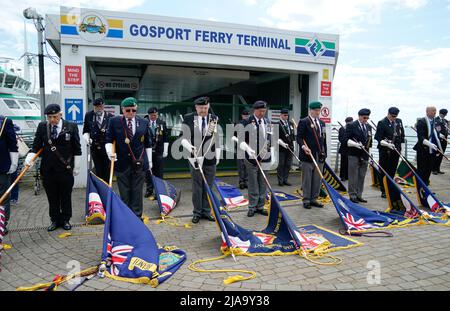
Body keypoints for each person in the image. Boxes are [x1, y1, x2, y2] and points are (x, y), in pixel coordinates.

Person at [25, 104, 81, 231]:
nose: (52, 120)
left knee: (66, 196)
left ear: (60, 114)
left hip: (65, 169)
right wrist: (30, 158)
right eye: (49, 117)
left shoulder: (71, 126)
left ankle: (66, 219)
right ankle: (55, 220)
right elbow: (36, 146)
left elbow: (77, 148)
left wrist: (76, 166)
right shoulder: (42, 127)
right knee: (52, 197)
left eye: (54, 117)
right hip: (48, 170)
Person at [105, 97, 152, 219]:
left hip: (139, 163)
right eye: (128, 110)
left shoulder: (144, 122)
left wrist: (150, 160)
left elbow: (148, 143)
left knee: (137, 192)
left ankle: (136, 218)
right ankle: (125, 217)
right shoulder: (114, 121)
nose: (131, 113)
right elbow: (108, 139)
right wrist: (109, 152)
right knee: (124, 193)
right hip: (122, 163)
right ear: (122, 110)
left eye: (133, 110)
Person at [180, 96, 220, 223]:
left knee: (208, 185)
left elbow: (216, 137)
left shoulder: (213, 118)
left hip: (210, 156)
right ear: (196, 107)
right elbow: (183, 138)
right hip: (195, 157)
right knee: (197, 186)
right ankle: (197, 212)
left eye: (206, 108)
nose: (204, 110)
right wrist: (189, 146)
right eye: (201, 108)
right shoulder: (188, 118)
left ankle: (206, 211)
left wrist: (217, 154)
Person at [241, 100, 274, 217]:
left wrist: (271, 153)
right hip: (251, 158)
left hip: (264, 156)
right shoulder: (247, 121)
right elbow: (241, 140)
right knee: (253, 183)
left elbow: (270, 139)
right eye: (260, 111)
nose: (262, 113)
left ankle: (260, 206)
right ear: (254, 110)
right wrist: (248, 149)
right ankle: (252, 207)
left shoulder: (268, 122)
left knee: (263, 183)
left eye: (264, 111)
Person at [297, 101, 327, 209]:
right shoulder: (304, 122)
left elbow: (324, 139)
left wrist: (325, 153)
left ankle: (314, 198)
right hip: (308, 155)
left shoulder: (322, 123)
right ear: (310, 110)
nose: (318, 112)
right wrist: (303, 147)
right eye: (315, 110)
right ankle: (306, 199)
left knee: (317, 179)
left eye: (319, 110)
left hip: (319, 155)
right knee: (307, 179)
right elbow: (299, 137)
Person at [374, 107, 405, 198]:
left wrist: (401, 148)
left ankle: (390, 187)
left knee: (392, 171)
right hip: (385, 151)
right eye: (392, 116)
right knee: (383, 171)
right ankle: (383, 190)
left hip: (396, 151)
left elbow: (401, 135)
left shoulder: (399, 121)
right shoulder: (382, 123)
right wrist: (387, 144)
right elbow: (378, 137)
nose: (394, 118)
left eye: (395, 116)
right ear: (388, 114)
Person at [345, 109, 373, 203]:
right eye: (364, 117)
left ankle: (359, 195)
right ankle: (352, 195)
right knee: (353, 176)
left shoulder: (369, 126)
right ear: (360, 116)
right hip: (354, 154)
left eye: (367, 118)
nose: (366, 119)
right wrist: (355, 144)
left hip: (365, 155)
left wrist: (369, 152)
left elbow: (370, 140)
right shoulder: (351, 125)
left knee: (361, 176)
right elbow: (345, 139)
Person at [82, 98, 113, 182]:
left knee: (107, 169)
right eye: (96, 107)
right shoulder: (89, 115)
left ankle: (106, 188)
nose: (98, 108)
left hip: (106, 147)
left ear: (103, 106)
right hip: (95, 147)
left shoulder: (110, 117)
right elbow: (85, 130)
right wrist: (87, 138)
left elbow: (112, 134)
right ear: (94, 106)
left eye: (100, 106)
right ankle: (99, 188)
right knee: (98, 169)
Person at [144, 107, 169, 198]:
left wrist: (165, 150)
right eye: (151, 115)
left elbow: (166, 137)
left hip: (159, 151)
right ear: (149, 115)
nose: (153, 117)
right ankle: (149, 190)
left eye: (155, 115)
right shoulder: (145, 123)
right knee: (148, 172)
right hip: (148, 151)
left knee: (159, 172)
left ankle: (158, 191)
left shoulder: (162, 123)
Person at [413, 107, 442, 186]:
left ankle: (425, 187)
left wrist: (440, 136)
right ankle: (419, 187)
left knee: (428, 169)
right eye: (433, 111)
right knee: (422, 169)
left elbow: (436, 134)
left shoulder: (435, 121)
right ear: (427, 112)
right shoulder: (422, 122)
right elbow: (421, 137)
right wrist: (429, 144)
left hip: (432, 150)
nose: (434, 112)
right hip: (423, 149)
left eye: (435, 111)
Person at [0, 115, 18, 236]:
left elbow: (12, 143)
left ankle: (2, 225)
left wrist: (14, 163)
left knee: (3, 197)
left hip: (2, 167)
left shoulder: (5, 121)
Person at [277, 108, 295, 186]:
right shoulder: (277, 124)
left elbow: (293, 135)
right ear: (281, 115)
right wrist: (282, 144)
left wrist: (294, 146)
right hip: (281, 148)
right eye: (284, 115)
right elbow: (276, 137)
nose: (286, 116)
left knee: (288, 164)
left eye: (287, 115)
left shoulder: (290, 124)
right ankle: (280, 180)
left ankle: (285, 179)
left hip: (290, 147)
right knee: (281, 164)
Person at [433, 109, 449, 175]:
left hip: (444, 141)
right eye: (444, 114)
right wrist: (439, 134)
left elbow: (446, 129)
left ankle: (438, 168)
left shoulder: (445, 121)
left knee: (441, 155)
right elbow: (436, 130)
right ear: (441, 113)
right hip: (438, 140)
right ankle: (434, 169)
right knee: (436, 155)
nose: (445, 115)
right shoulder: (435, 120)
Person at [236, 109, 249, 189]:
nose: (246, 117)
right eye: (245, 115)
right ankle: (241, 181)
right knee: (241, 166)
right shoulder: (239, 124)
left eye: (247, 115)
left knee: (247, 165)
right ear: (242, 116)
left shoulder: (251, 124)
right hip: (240, 146)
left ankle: (246, 181)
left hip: (248, 146)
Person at [338, 117, 353, 181]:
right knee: (343, 163)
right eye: (351, 122)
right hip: (344, 148)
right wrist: (346, 142)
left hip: (350, 149)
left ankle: (347, 176)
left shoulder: (353, 129)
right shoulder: (342, 129)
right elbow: (340, 139)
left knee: (349, 163)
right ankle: (342, 176)